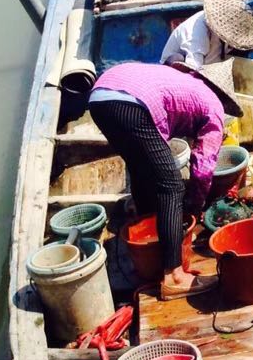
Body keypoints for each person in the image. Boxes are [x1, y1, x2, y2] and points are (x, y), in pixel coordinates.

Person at [88, 60, 243, 299]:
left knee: (141, 168)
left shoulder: (187, 84)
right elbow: (202, 167)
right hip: (131, 102)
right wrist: (196, 203)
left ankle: (148, 231)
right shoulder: (214, 107)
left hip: (100, 96)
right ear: (224, 98)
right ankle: (175, 277)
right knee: (171, 185)